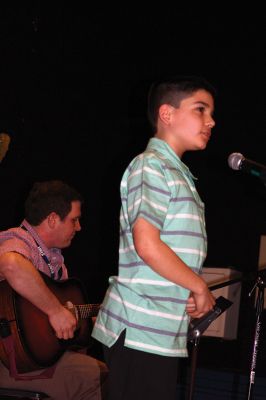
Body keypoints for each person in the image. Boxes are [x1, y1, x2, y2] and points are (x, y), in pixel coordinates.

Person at [92, 75, 217, 400]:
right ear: (167, 114)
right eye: (201, 110)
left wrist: (188, 288)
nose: (211, 121)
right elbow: (147, 244)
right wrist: (198, 285)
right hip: (138, 329)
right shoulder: (151, 166)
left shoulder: (178, 173)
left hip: (159, 332)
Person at [0, 180, 108, 400]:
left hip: (30, 362)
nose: (79, 227)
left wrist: (85, 321)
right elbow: (10, 264)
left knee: (90, 366)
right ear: (52, 219)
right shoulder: (18, 240)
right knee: (97, 375)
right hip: (6, 361)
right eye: (74, 220)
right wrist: (55, 311)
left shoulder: (55, 261)